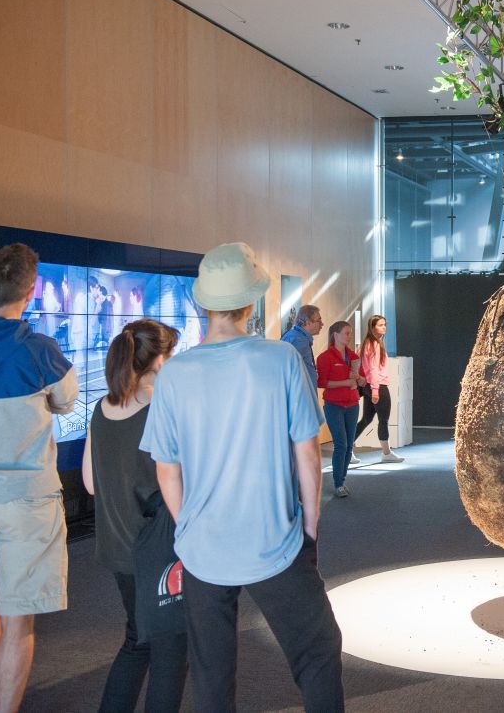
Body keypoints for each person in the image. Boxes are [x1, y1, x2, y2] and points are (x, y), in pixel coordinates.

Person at [141, 242, 344, 711]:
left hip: (202, 546)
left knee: (211, 676)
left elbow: (166, 468)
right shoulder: (280, 361)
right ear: (251, 303)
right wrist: (310, 526)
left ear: (202, 302)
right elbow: (308, 456)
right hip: (274, 540)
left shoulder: (174, 375)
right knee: (317, 652)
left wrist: (186, 524)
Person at [0, 243, 79, 713]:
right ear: (31, 291)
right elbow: (65, 403)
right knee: (18, 623)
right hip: (29, 501)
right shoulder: (42, 350)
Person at [82, 319, 187, 712]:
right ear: (159, 360)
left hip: (118, 547)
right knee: (171, 650)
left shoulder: (102, 408)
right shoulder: (158, 411)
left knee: (138, 640)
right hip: (157, 549)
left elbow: (91, 484)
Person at [317, 320, 364, 496]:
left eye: (350, 333)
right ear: (335, 335)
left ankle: (342, 480)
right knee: (341, 444)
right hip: (334, 405)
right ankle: (338, 483)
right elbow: (322, 383)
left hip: (352, 404)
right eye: (346, 333)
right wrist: (346, 382)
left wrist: (358, 378)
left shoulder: (353, 357)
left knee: (349, 446)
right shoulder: (325, 357)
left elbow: (363, 381)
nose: (349, 336)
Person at [356, 315, 404, 463]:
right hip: (377, 385)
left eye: (384, 324)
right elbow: (373, 369)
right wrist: (375, 390)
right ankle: (386, 453)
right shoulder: (374, 344)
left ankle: (347, 448)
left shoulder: (370, 343)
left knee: (367, 419)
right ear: (372, 328)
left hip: (370, 386)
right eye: (380, 325)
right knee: (383, 419)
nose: (384, 327)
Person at [282, 304, 323, 390]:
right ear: (308, 322)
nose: (322, 324)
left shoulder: (296, 337)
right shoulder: (299, 340)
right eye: (319, 321)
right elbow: (287, 371)